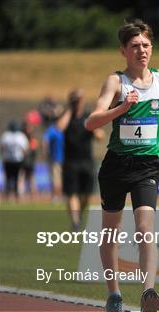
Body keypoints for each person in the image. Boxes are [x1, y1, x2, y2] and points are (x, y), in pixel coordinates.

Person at [84, 19, 159, 312]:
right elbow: (91, 122)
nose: (142, 51)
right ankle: (114, 294)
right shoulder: (116, 82)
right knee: (111, 232)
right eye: (135, 46)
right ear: (123, 50)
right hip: (116, 165)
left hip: (147, 165)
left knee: (144, 228)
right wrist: (122, 108)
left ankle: (148, 292)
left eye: (146, 45)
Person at [57, 89, 104, 231]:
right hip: (70, 161)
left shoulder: (88, 116)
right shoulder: (66, 116)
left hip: (86, 161)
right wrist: (70, 110)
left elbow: (100, 136)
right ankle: (75, 222)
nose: (77, 102)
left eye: (79, 100)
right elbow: (59, 128)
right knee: (72, 193)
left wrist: (94, 130)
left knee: (86, 195)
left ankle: (78, 216)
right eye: (74, 100)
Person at [0, 121, 28, 201]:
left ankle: (6, 196)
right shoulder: (21, 136)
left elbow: (2, 147)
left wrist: (4, 155)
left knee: (8, 179)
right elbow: (25, 149)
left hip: (8, 160)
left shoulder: (6, 136)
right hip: (18, 160)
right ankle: (16, 196)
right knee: (16, 179)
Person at [43, 121, 64, 201]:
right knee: (58, 178)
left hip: (56, 159)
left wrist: (45, 153)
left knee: (56, 178)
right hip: (59, 158)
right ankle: (58, 195)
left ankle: (57, 196)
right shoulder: (57, 130)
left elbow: (45, 141)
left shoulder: (54, 130)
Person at [21, 121, 39, 199]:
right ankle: (21, 195)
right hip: (23, 161)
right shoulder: (22, 138)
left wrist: (26, 149)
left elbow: (33, 149)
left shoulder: (33, 139)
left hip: (30, 162)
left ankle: (34, 195)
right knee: (22, 178)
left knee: (31, 179)